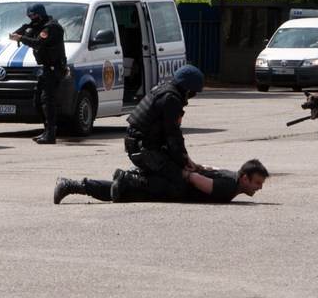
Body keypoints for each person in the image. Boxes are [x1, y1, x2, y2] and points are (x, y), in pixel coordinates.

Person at [122, 64, 205, 200]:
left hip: (141, 146)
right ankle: (128, 180)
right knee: (180, 183)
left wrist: (185, 160)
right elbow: (173, 137)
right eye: (194, 92)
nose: (192, 96)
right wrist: (184, 162)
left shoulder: (162, 90)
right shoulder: (171, 100)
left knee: (176, 171)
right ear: (187, 89)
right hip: (145, 150)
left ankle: (141, 175)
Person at [53, 159, 270, 204]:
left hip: (170, 185)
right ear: (245, 178)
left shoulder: (231, 175)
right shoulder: (228, 186)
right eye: (257, 183)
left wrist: (194, 166)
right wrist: (187, 173)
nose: (259, 188)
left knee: (119, 192)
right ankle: (71, 185)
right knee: (122, 192)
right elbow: (200, 181)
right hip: (169, 189)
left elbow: (210, 169)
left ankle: (72, 185)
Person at [9, 3, 66, 144]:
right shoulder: (37, 26)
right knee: (38, 102)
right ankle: (47, 130)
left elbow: (38, 43)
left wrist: (20, 38)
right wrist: (21, 31)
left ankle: (51, 134)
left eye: (33, 15)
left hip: (54, 68)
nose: (32, 18)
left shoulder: (51, 27)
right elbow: (25, 31)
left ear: (40, 14)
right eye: (30, 16)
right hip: (46, 68)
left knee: (48, 101)